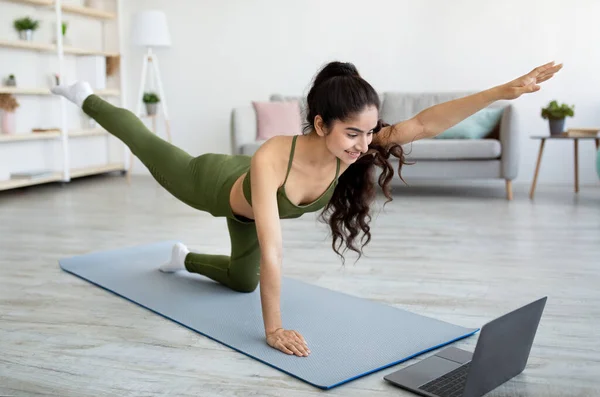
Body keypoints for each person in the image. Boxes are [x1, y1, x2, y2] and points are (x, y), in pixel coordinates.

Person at [51, 60, 562, 358]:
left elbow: (424, 125)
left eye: (369, 131)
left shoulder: (350, 149)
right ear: (320, 125)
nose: (364, 146)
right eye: (352, 133)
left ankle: (182, 259)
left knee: (240, 281)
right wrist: (273, 329)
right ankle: (84, 96)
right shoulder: (274, 155)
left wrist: (502, 92)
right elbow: (275, 253)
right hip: (212, 182)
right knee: (142, 140)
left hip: (248, 214)